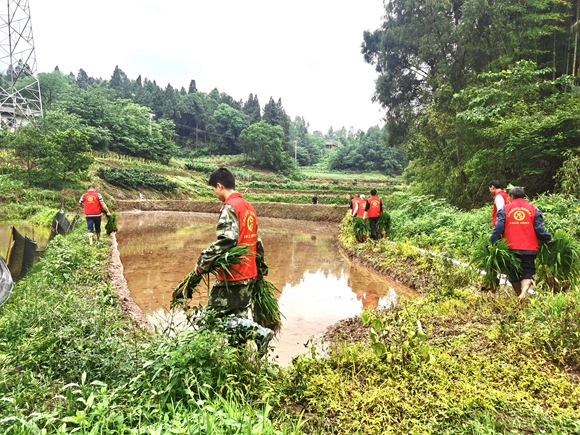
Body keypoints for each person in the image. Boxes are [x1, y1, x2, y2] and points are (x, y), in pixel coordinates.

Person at [194, 168, 273, 352]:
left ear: (219, 186)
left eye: (214, 189)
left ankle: (258, 332)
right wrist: (259, 271)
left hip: (232, 276)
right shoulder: (249, 208)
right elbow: (257, 241)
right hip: (249, 275)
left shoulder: (230, 207)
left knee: (212, 318)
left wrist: (203, 262)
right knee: (238, 320)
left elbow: (227, 240)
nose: (215, 194)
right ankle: (236, 362)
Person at [489, 186, 551, 303]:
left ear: (511, 197)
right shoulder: (534, 209)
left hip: (511, 247)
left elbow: (498, 227)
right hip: (529, 248)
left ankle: (519, 296)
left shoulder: (505, 209)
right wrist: (549, 239)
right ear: (524, 196)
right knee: (527, 272)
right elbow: (539, 228)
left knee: (514, 273)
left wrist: (492, 242)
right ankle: (524, 293)